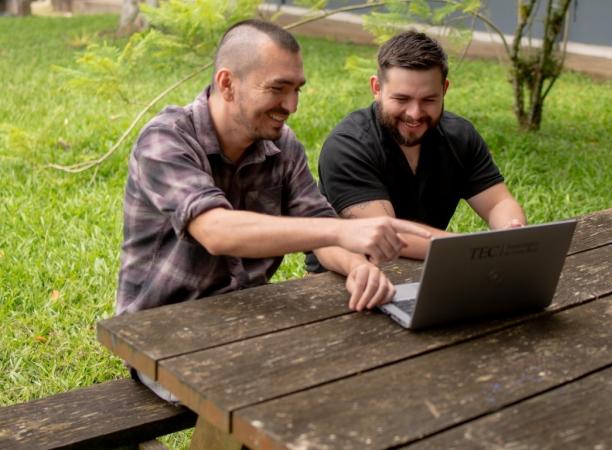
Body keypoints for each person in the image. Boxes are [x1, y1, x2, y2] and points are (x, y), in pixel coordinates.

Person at [115, 19, 430, 402]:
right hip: (160, 336)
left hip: (248, 319)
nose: (292, 106)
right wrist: (339, 232)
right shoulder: (165, 138)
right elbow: (217, 231)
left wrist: (358, 267)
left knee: (380, 358)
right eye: (278, 89)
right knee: (310, 390)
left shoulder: (282, 146)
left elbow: (316, 222)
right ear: (228, 83)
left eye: (297, 89)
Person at [306, 31, 525, 272]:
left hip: (433, 265)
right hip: (348, 277)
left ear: (445, 90)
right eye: (402, 99)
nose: (415, 113)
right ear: (376, 88)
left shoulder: (460, 136)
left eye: (429, 100)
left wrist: (511, 235)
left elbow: (497, 203)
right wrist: (475, 250)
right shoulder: (347, 146)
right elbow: (386, 234)